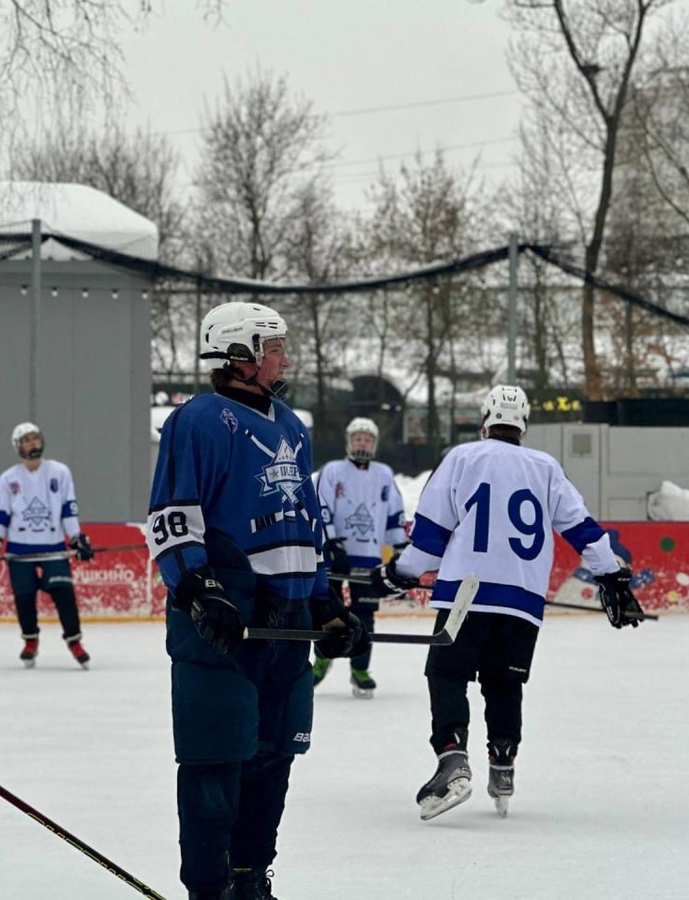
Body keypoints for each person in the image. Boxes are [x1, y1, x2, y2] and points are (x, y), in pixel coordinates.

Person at [149, 301, 366, 900]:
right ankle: (209, 886)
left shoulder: (292, 426)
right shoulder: (197, 421)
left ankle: (250, 877)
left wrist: (324, 603)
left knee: (274, 759)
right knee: (214, 761)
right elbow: (172, 517)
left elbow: (306, 524)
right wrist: (198, 590)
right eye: (274, 347)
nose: (285, 358)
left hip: (288, 625)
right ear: (238, 354)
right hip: (224, 625)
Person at [371, 384, 645, 820]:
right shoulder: (546, 467)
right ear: (524, 425)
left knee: (445, 673)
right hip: (523, 600)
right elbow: (582, 530)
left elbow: (430, 536)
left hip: (467, 594)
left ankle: (452, 759)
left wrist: (396, 574)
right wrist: (612, 575)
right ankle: (503, 762)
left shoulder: (463, 457)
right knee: (504, 682)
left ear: (484, 420)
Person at [0, 423, 95, 669]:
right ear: (18, 446)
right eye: (26, 440)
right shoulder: (8, 479)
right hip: (19, 550)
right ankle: (30, 640)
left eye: (35, 438)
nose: (33, 443)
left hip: (53, 547)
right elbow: (0, 518)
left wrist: (77, 538)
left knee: (64, 595)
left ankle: (74, 641)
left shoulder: (60, 472)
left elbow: (68, 511)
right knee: (24, 599)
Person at [313, 416, 408, 698]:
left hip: (368, 558)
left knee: (365, 616)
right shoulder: (332, 471)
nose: (362, 442)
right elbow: (321, 508)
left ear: (374, 443)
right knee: (328, 612)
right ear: (348, 441)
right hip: (335, 557)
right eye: (357, 438)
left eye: (367, 438)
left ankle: (360, 669)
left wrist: (400, 548)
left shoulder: (384, 474)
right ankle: (321, 660)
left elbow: (394, 514)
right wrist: (331, 542)